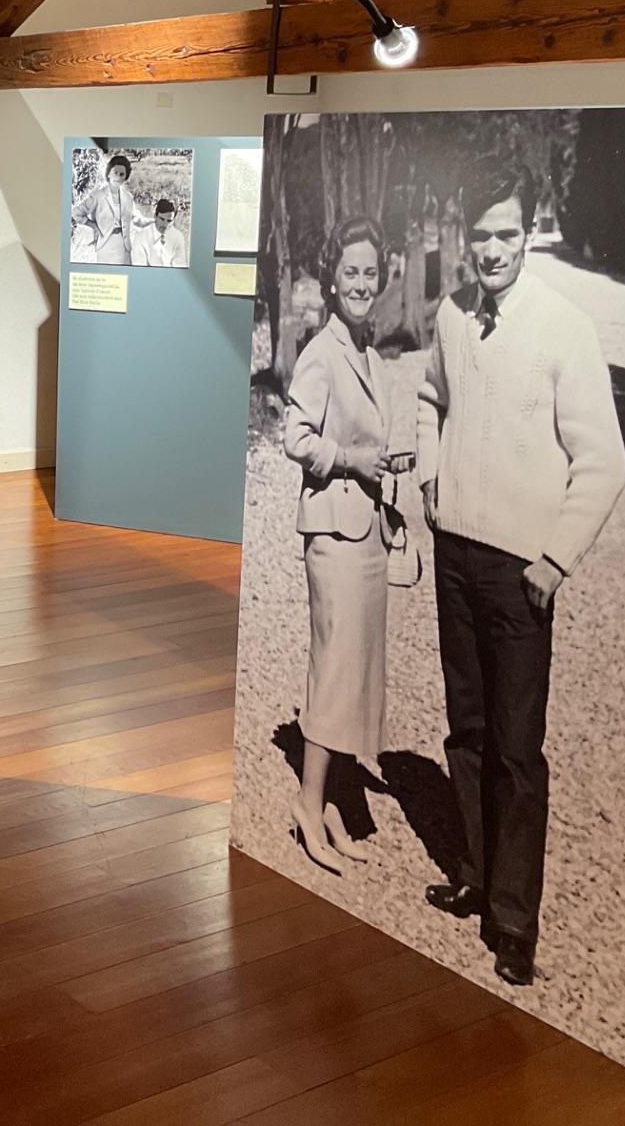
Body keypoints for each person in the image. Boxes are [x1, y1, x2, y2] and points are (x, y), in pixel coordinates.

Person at [416, 170, 625, 988]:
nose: (492, 249)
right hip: (456, 556)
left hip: (520, 573)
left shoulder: (564, 327)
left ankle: (513, 922)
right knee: (466, 730)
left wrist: (557, 557)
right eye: (480, 234)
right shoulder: (451, 315)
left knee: (516, 749)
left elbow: (604, 461)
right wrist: (429, 478)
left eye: (507, 233)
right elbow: (429, 398)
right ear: (464, 237)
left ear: (530, 234)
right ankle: (475, 874)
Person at [282, 216, 400, 876]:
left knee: (356, 671)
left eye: (370, 272)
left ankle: (330, 803)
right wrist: (351, 460)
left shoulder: (370, 355)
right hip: (332, 534)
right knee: (334, 668)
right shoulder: (321, 353)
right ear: (331, 279)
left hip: (368, 531)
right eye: (350, 271)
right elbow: (295, 437)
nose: (360, 283)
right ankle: (307, 803)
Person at [71, 153, 148, 264]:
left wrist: (155, 221)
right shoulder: (97, 196)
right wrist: (94, 226)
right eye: (115, 173)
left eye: (122, 174)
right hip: (105, 245)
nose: (118, 177)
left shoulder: (128, 197)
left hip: (124, 247)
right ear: (108, 174)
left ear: (126, 177)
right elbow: (76, 213)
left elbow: (138, 220)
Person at [138, 198, 188, 267]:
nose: (165, 225)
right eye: (162, 219)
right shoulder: (141, 237)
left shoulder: (178, 237)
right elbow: (139, 268)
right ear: (155, 216)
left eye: (169, 221)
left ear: (173, 220)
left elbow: (180, 265)